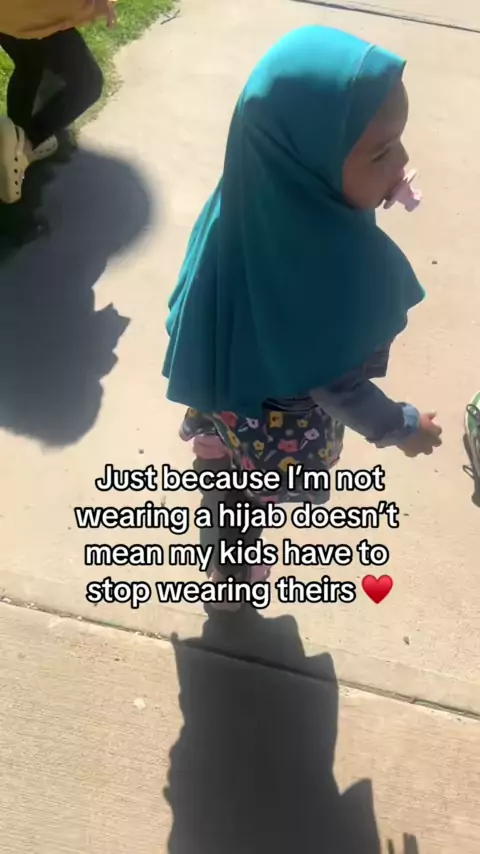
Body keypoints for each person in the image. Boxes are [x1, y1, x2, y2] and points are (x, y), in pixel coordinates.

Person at [162, 26, 443, 610]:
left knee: (226, 461)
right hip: (273, 420)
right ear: (305, 163)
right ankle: (231, 575)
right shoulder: (320, 265)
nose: (402, 160)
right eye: (381, 152)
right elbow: (334, 382)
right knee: (248, 497)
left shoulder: (251, 198)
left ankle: (215, 457)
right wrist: (403, 427)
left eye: (399, 142)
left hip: (223, 384)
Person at [0, 0, 116, 204]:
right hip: (33, 9)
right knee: (87, 82)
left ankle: (11, 145)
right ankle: (22, 150)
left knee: (29, 65)